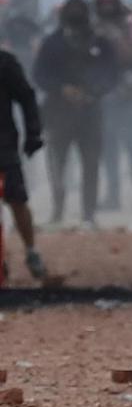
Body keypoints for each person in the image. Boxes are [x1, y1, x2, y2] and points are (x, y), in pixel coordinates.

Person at [33, 0, 120, 226]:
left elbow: (111, 74)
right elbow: (40, 75)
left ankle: (88, 214)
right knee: (57, 165)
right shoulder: (52, 43)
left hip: (90, 113)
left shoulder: (100, 43)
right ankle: (58, 210)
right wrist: (62, 89)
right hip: (59, 113)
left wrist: (93, 91)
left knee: (91, 164)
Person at [94, 0, 132, 212]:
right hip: (103, 92)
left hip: (127, 93)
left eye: (110, 2)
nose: (106, 7)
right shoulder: (93, 25)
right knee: (109, 149)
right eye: (102, 3)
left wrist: (114, 37)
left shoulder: (129, 23)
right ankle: (113, 196)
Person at [0, 46, 48, 279]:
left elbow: (27, 97)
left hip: (3, 146)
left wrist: (33, 133)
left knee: (17, 199)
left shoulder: (4, 62)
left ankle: (31, 251)